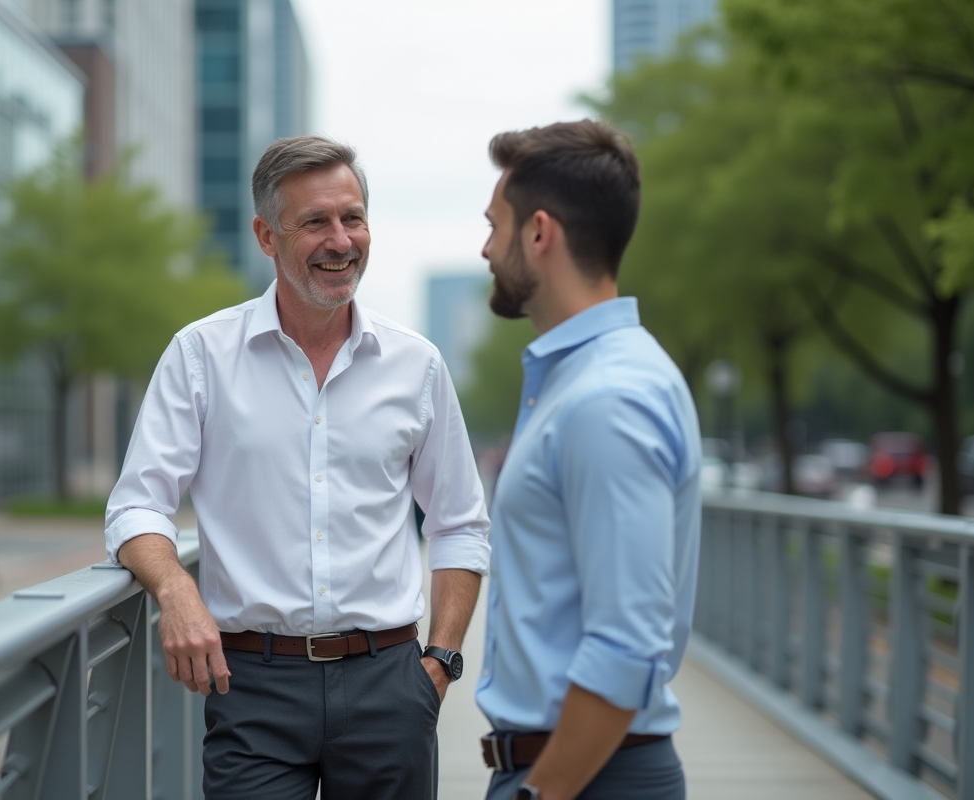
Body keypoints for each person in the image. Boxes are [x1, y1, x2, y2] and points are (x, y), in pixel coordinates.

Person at [106, 135, 490, 799]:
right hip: (252, 686)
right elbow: (137, 505)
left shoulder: (416, 364)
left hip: (390, 684)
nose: (341, 240)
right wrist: (176, 591)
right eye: (315, 222)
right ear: (266, 236)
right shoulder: (201, 357)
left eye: (354, 218)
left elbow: (459, 521)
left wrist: (442, 661)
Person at [474, 120, 702, 800]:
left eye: (495, 224)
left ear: (539, 233)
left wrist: (539, 793)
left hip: (585, 780)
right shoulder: (584, 382)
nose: (485, 248)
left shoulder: (609, 399)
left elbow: (626, 643)